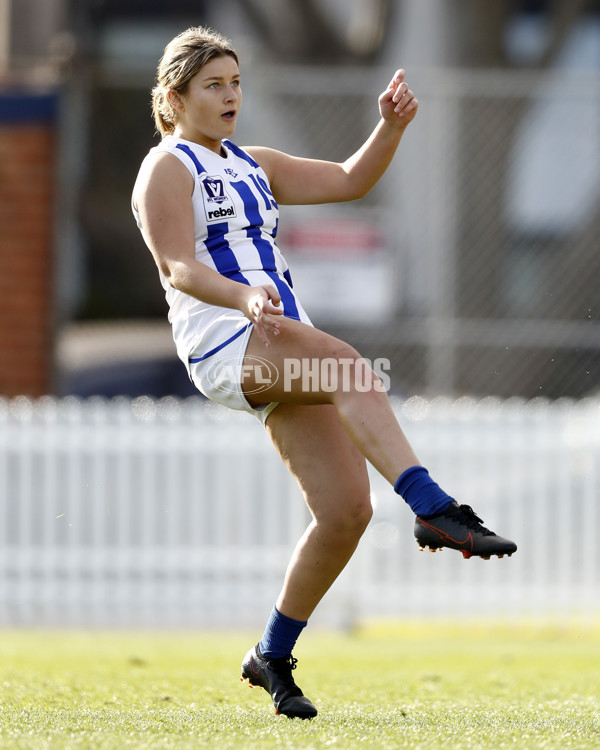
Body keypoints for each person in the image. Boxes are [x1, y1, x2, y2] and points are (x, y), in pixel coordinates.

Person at [132, 26, 517, 720]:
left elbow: (349, 179)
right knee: (347, 365)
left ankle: (270, 655)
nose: (230, 95)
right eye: (214, 85)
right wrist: (243, 296)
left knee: (345, 513)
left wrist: (389, 128)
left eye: (236, 82)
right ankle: (435, 510)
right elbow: (177, 267)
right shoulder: (169, 167)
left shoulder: (254, 161)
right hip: (224, 339)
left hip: (271, 339)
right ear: (174, 97)